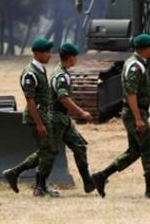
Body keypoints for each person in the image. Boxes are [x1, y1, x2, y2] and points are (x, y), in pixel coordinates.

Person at [90, 33, 150, 199]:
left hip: (135, 112)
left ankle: (102, 176)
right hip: (135, 113)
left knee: (135, 151)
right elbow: (131, 93)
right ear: (144, 49)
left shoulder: (136, 63)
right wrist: (138, 118)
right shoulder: (135, 66)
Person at [3, 38, 59, 197]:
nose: (49, 55)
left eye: (49, 52)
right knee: (48, 151)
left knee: (46, 150)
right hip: (36, 117)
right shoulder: (30, 73)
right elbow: (30, 101)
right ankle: (40, 187)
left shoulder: (40, 69)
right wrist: (39, 124)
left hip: (42, 116)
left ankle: (15, 173)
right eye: (46, 52)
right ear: (37, 53)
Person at [49, 42, 96, 193]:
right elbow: (64, 99)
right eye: (75, 57)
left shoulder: (62, 71)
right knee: (46, 152)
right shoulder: (61, 76)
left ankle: (88, 182)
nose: (77, 60)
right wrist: (82, 113)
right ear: (70, 57)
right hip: (57, 118)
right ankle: (18, 173)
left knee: (79, 146)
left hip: (63, 118)